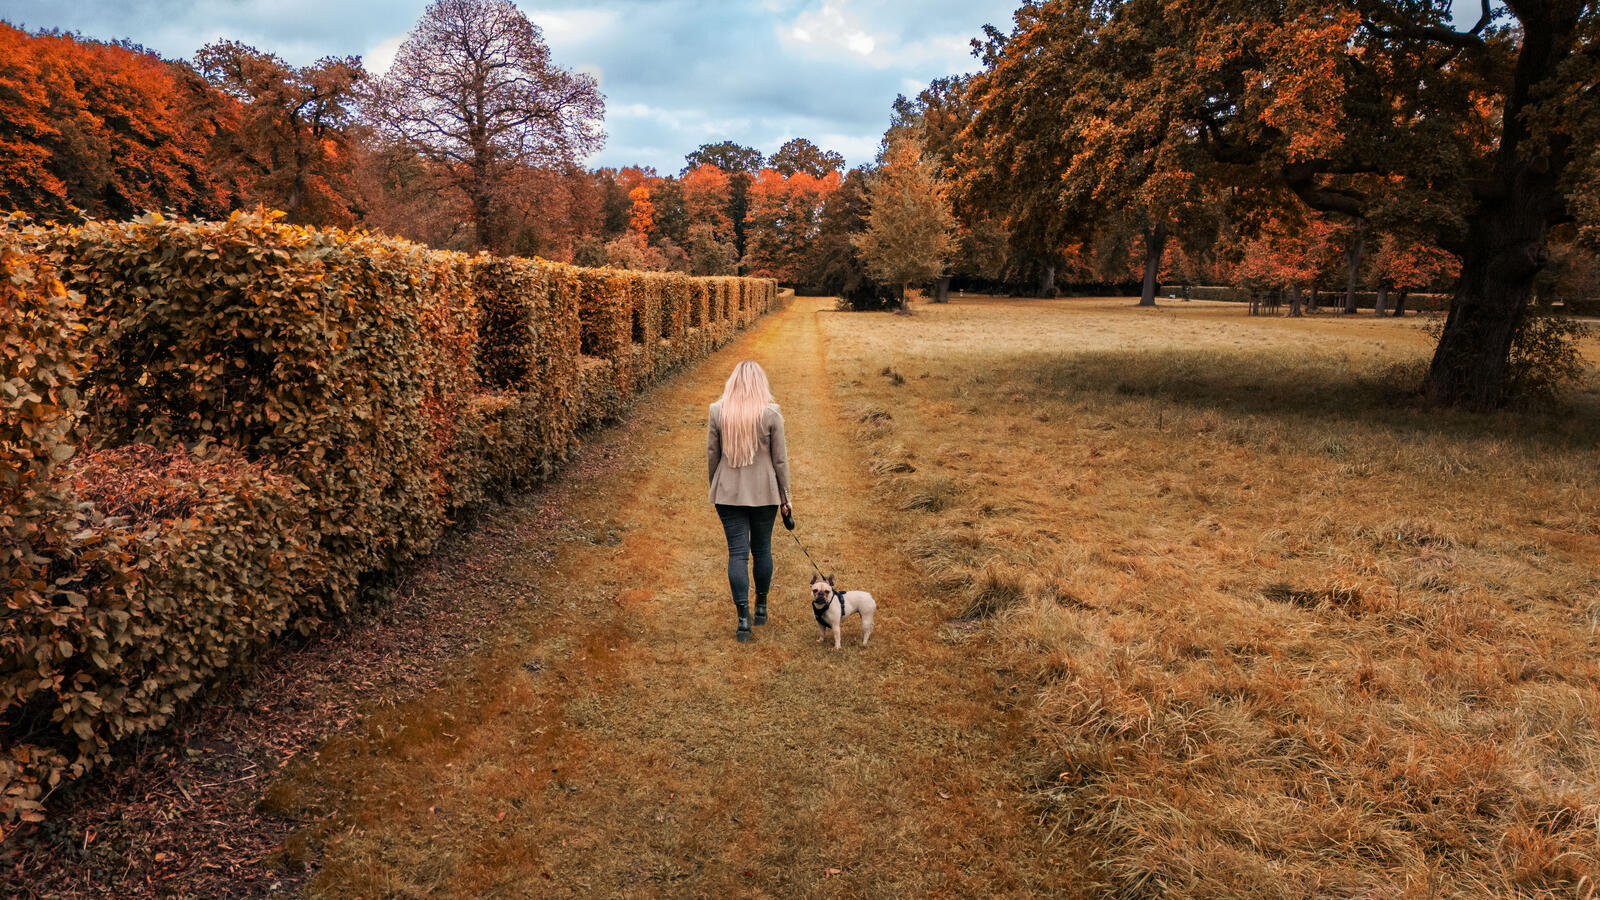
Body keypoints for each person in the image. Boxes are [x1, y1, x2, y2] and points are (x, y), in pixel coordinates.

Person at [707, 360, 791, 643]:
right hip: (765, 493)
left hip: (728, 493)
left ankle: (743, 621)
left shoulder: (718, 412)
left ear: (732, 383)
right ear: (760, 384)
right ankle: (762, 608)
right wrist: (785, 497)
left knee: (738, 553)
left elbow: (712, 454)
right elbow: (780, 460)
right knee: (762, 549)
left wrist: (717, 486)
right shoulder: (771, 414)